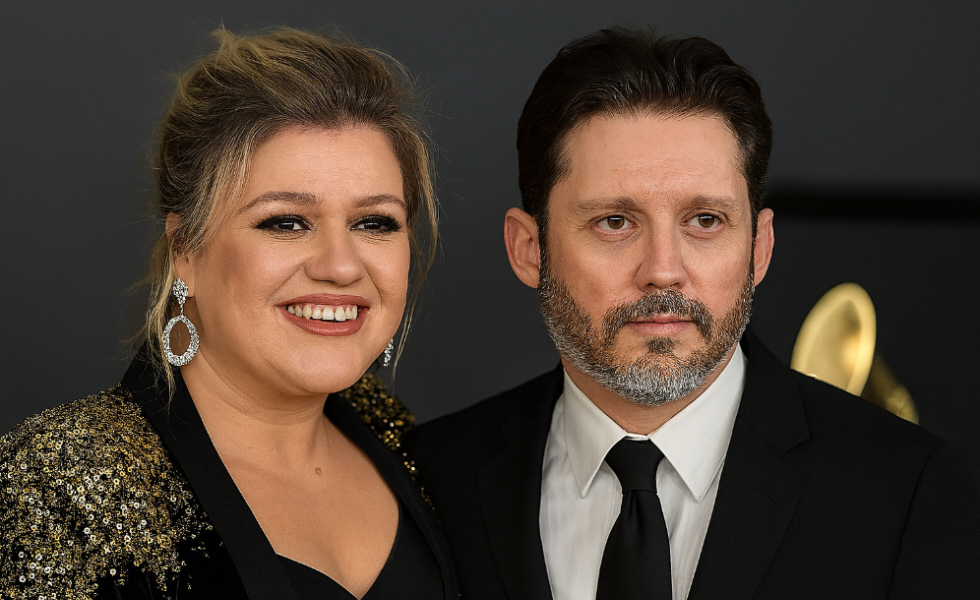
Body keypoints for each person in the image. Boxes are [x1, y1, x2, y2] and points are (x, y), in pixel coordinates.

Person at [406, 26, 980, 600]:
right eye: (614, 222)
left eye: (705, 220)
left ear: (759, 248)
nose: (663, 270)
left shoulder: (911, 492)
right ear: (529, 249)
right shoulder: (428, 478)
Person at [0, 28, 457, 600]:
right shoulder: (56, 487)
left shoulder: (398, 436)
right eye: (286, 222)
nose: (341, 266)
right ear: (186, 250)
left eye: (374, 222)